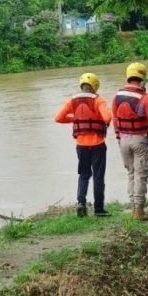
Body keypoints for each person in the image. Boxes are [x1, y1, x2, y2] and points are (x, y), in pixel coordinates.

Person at [112, 62, 148, 221]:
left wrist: (118, 138)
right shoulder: (146, 99)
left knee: (131, 174)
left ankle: (133, 208)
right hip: (140, 140)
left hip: (123, 140)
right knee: (141, 175)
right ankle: (139, 211)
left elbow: (115, 120)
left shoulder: (117, 96)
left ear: (128, 76)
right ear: (142, 77)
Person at [55, 73, 112, 217]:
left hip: (81, 145)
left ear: (81, 85)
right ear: (95, 86)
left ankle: (81, 203)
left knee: (84, 174)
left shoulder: (71, 101)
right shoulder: (99, 100)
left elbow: (58, 118)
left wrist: (76, 118)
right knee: (98, 176)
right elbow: (107, 117)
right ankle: (99, 209)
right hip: (98, 144)